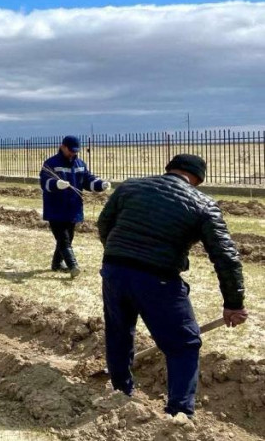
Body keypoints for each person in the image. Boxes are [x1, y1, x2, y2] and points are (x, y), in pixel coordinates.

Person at [97, 153, 247, 418]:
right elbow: (225, 256)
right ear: (197, 180)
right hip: (158, 278)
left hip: (115, 270)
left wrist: (120, 254)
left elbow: (104, 224)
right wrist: (233, 303)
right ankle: (178, 415)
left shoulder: (130, 187)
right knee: (184, 344)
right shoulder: (203, 204)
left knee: (119, 332)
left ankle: (121, 390)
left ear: (169, 170)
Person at [39, 135, 109, 277]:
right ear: (63, 146)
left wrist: (100, 185)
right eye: (71, 150)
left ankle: (57, 264)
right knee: (63, 239)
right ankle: (73, 266)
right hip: (56, 208)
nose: (73, 153)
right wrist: (56, 184)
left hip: (73, 208)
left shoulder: (80, 164)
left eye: (76, 151)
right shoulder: (51, 163)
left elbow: (87, 180)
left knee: (68, 238)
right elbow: (44, 183)